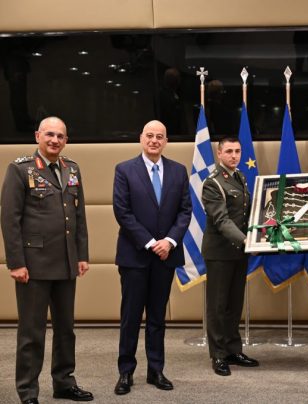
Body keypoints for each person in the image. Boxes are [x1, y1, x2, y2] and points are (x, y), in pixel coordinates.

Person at [1, 116, 93, 403]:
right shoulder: (20, 169)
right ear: (37, 136)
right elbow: (10, 219)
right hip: (34, 265)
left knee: (66, 330)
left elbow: (79, 216)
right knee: (32, 332)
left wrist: (81, 255)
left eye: (60, 136)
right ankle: (28, 391)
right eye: (50, 134)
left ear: (66, 140)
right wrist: (16, 262)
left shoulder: (72, 168)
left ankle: (64, 382)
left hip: (66, 262)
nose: (55, 140)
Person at [112, 120, 192, 395]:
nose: (154, 140)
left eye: (160, 136)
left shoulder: (178, 171)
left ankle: (156, 370)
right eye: (149, 135)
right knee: (131, 317)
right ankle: (126, 372)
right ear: (141, 138)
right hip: (135, 256)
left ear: (166, 141)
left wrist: (169, 241)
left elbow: (185, 211)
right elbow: (122, 212)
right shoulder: (124, 170)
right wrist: (149, 243)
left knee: (157, 317)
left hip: (166, 256)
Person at [202, 137, 259, 376]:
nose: (234, 156)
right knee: (218, 306)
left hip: (238, 252)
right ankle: (218, 355)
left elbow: (247, 214)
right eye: (229, 151)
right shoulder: (213, 183)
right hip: (220, 253)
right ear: (219, 153)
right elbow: (221, 220)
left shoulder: (240, 178)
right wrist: (246, 240)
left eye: (237, 151)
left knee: (234, 304)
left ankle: (233, 350)